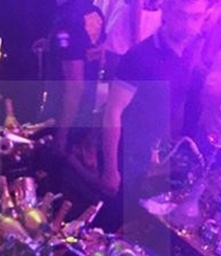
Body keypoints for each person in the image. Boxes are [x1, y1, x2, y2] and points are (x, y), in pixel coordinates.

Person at [100, 0, 215, 199]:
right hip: (124, 152)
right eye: (181, 15)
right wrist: (111, 169)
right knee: (112, 211)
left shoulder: (187, 53)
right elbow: (113, 112)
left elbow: (168, 106)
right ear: (166, 11)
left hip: (148, 153)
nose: (188, 25)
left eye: (195, 17)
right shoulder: (140, 56)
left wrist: (156, 152)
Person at [45, 0, 105, 157]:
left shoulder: (68, 21)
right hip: (84, 114)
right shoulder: (95, 12)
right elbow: (98, 53)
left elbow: (75, 86)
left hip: (62, 117)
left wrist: (62, 134)